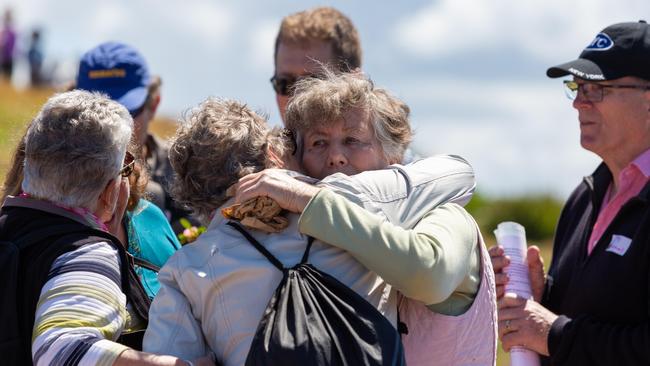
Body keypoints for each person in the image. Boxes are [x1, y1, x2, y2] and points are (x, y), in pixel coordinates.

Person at [145, 72, 493, 365]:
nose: (337, 157)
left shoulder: (184, 268)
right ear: (279, 155)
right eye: (318, 143)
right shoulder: (356, 198)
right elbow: (459, 172)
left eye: (353, 140)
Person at [0, 91, 212, 365]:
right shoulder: (86, 252)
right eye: (125, 170)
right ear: (109, 192)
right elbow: (64, 350)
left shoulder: (11, 229)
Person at [490, 20, 650, 365]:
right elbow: (583, 317)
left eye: (597, 89)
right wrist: (538, 294)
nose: (579, 103)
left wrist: (552, 333)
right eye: (577, 87)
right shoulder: (586, 195)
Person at [76, 41, 192, 232]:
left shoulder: (184, 174)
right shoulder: (47, 168)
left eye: (126, 111)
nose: (111, 125)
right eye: (97, 112)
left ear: (153, 105)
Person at [0, 9, 15, 81]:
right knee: (3, 77)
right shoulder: (2, 32)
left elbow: (13, 46)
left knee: (8, 77)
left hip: (9, 57)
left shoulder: (12, 32)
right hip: (2, 58)